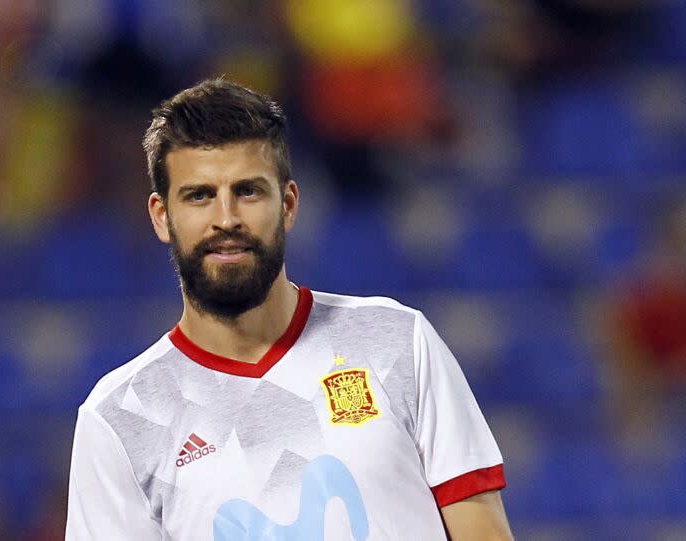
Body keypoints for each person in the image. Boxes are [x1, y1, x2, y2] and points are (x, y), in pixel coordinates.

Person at [65, 78, 513, 540]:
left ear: (289, 205)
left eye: (249, 191)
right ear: (162, 216)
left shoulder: (399, 341)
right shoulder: (119, 417)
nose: (226, 218)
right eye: (199, 195)